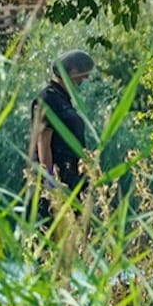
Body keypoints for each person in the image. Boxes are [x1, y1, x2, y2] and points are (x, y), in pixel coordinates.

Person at [29, 49, 93, 219]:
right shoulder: (47, 99)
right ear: (72, 71)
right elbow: (43, 145)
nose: (85, 80)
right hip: (57, 180)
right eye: (83, 74)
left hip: (71, 178)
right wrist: (51, 184)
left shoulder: (63, 100)